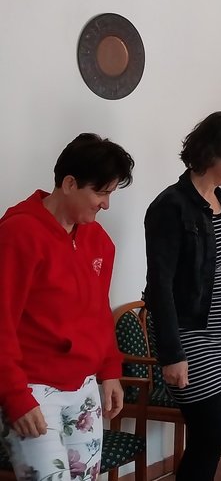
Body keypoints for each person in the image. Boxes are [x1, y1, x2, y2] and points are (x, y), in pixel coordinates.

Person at [0, 133, 134, 480]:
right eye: (101, 193)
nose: (106, 204)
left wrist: (109, 371)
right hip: (32, 387)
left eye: (110, 193)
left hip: (83, 385)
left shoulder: (99, 241)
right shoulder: (19, 234)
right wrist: (15, 396)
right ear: (70, 183)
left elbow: (99, 312)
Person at [143, 111, 221, 480]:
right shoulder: (170, 206)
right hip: (189, 334)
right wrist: (172, 354)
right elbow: (159, 286)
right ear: (214, 151)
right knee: (211, 434)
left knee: (208, 438)